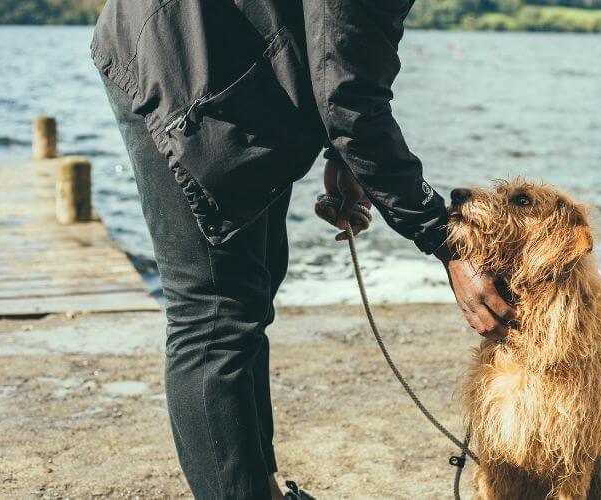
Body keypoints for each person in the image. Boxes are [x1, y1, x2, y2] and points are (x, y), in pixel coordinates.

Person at [91, 0, 515, 497]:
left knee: (251, 292)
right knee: (213, 317)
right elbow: (349, 95)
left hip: (233, 63)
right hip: (179, 61)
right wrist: (445, 241)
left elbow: (345, 54)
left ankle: (262, 487)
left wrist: (341, 152)